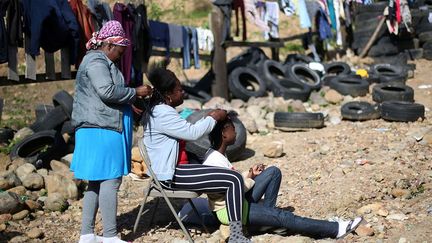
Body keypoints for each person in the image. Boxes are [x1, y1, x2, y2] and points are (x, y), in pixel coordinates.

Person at [203, 117, 363, 240]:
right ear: (224, 134)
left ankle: (266, 220)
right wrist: (248, 179)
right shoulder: (215, 161)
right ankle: (335, 229)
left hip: (236, 200)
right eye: (232, 129)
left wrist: (249, 174)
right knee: (283, 216)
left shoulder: (218, 155)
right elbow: (232, 191)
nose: (236, 132)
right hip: (231, 209)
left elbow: (233, 183)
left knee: (273, 172)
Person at [142, 67, 251, 243]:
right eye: (178, 90)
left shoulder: (161, 110)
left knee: (231, 177)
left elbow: (186, 130)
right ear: (168, 94)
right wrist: (214, 117)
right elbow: (192, 133)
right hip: (172, 174)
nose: (182, 92)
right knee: (234, 179)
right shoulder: (162, 113)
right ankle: (237, 235)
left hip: (172, 170)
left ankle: (236, 227)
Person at [71, 20, 153, 243]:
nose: (121, 55)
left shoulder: (100, 60)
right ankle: (110, 236)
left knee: (96, 181)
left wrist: (128, 101)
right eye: (119, 51)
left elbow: (108, 94)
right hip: (101, 128)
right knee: (110, 179)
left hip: (100, 127)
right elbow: (106, 91)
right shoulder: (97, 61)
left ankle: (87, 235)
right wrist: (135, 91)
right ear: (108, 45)